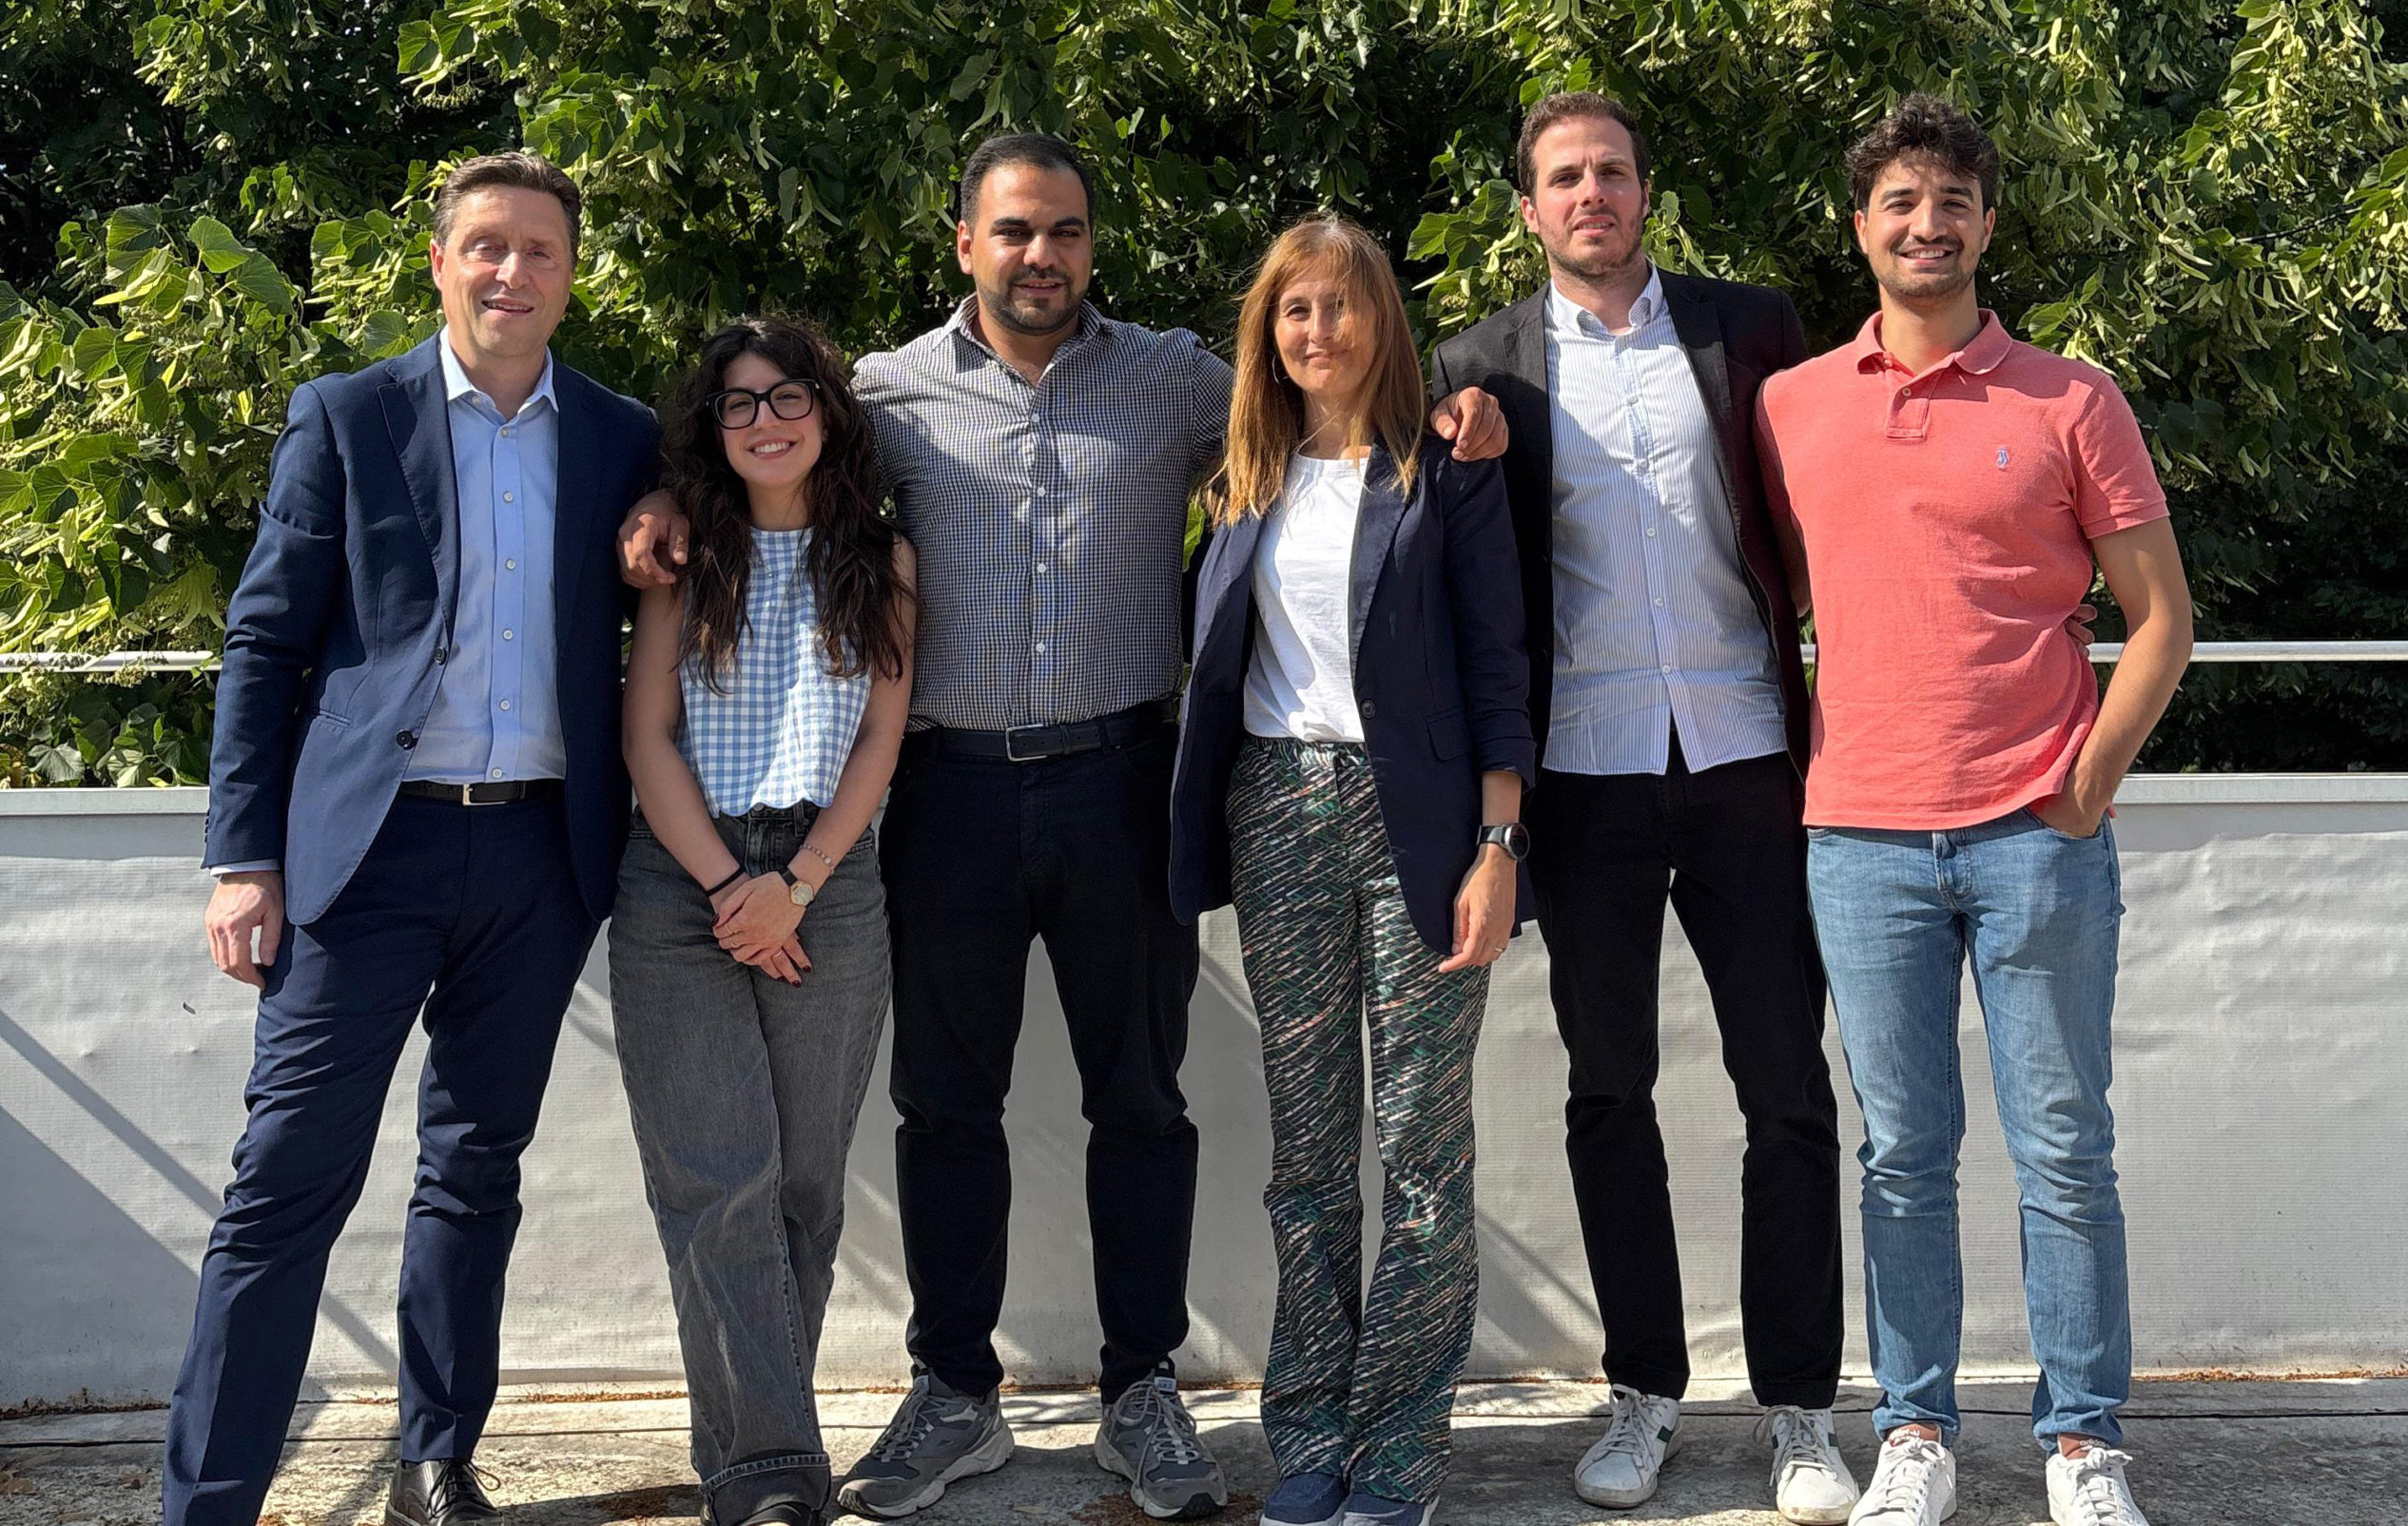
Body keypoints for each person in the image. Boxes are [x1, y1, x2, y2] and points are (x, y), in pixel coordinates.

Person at [617, 133, 1509, 1522]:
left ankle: (1141, 1388)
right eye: (1016, 230)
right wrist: (665, 500)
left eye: (1067, 232)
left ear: (1092, 246)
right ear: (965, 241)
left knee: (1140, 1100)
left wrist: (1457, 403)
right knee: (944, 1104)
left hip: (1122, 782)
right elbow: (765, 450)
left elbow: (1328, 390)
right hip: (949, 792)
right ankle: (953, 1392)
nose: (1043, 255)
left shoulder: (1174, 381)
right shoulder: (886, 391)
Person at [178, 152, 662, 1526]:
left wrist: (670, 517)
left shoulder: (623, 437)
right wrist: (242, 858)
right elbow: (264, 644)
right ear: (441, 263)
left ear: (572, 273)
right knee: (284, 1182)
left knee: (475, 1171)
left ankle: (435, 1458)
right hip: (362, 860)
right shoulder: (348, 415)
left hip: (539, 859)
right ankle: (210, 1500)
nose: (513, 272)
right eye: (487, 247)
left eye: (541, 250)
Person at [1755, 96, 2194, 1526]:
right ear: (1860, 226)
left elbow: (2162, 618)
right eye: (1900, 201)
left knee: (2063, 1147)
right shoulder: (1793, 403)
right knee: (1902, 1156)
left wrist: (2088, 781)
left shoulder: (2072, 400)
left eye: (1952, 201)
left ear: (1988, 224)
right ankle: (1916, 1432)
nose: (1926, 224)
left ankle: (2082, 1444)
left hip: (2033, 835)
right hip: (1858, 836)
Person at [1428, 92, 1859, 1522]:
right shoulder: (1479, 365)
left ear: (1646, 189)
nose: (1591, 194)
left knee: (1786, 1088)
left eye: (1611, 170)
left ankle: (1800, 1407)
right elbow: (1458, 581)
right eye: (1564, 177)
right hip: (1583, 775)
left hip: (1748, 759)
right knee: (1608, 1091)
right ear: (1529, 208)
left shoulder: (1752, 329)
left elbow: (1831, 508)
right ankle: (1644, 1390)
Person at [1167, 215, 1534, 1526]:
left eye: (1341, 305)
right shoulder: (1239, 483)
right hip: (1278, 813)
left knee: (1423, 1147)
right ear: (1268, 333)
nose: (1318, 330)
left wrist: (1498, 845)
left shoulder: (1446, 470)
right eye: (1294, 310)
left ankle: (1400, 1450)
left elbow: (1498, 665)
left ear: (1382, 319)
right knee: (1309, 1151)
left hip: (1420, 824)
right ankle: (1310, 1431)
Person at [610, 317, 916, 1526]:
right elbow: (647, 738)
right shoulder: (688, 556)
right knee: (713, 1182)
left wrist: (796, 884)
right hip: (682, 881)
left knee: (802, 1188)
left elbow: (881, 736)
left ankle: (755, 1455)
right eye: (737, 403)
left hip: (828, 884)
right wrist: (729, 889)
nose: (765, 421)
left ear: (827, 414)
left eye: (787, 396)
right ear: (713, 427)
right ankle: (771, 1473)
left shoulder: (881, 559)